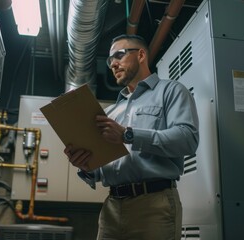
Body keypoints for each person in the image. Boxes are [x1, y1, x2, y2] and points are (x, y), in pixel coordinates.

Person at [64, 34, 199, 240]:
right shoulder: (110, 112)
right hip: (111, 207)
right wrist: (86, 165)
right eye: (110, 61)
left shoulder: (170, 91)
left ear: (141, 55)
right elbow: (102, 169)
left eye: (119, 55)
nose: (113, 64)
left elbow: (187, 140)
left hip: (154, 205)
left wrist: (128, 135)